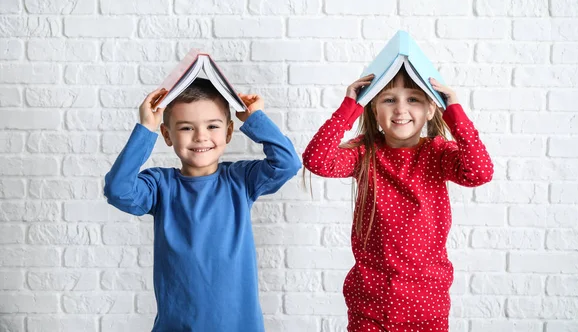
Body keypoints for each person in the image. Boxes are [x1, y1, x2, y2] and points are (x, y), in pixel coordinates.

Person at [302, 68, 493, 331]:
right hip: (369, 305)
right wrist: (348, 108)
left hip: (426, 304)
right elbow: (317, 161)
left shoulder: (438, 153)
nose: (401, 109)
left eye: (413, 99)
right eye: (389, 99)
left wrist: (455, 112)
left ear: (430, 109)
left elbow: (480, 172)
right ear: (373, 109)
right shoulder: (364, 152)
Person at [104, 79, 301, 331]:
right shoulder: (159, 185)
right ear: (167, 135)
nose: (201, 137)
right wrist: (146, 128)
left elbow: (287, 164)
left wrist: (255, 118)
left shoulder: (240, 180)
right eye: (186, 128)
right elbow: (117, 190)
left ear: (229, 132)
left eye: (212, 126)